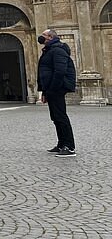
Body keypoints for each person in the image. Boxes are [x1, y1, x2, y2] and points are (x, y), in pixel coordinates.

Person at [37, 29, 77, 157]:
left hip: (58, 87)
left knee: (61, 116)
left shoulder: (58, 50)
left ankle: (69, 147)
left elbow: (59, 71)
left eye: (43, 35)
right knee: (55, 117)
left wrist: (52, 89)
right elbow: (44, 72)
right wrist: (44, 91)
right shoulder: (49, 50)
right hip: (51, 88)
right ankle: (61, 144)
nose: (41, 37)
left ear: (50, 37)